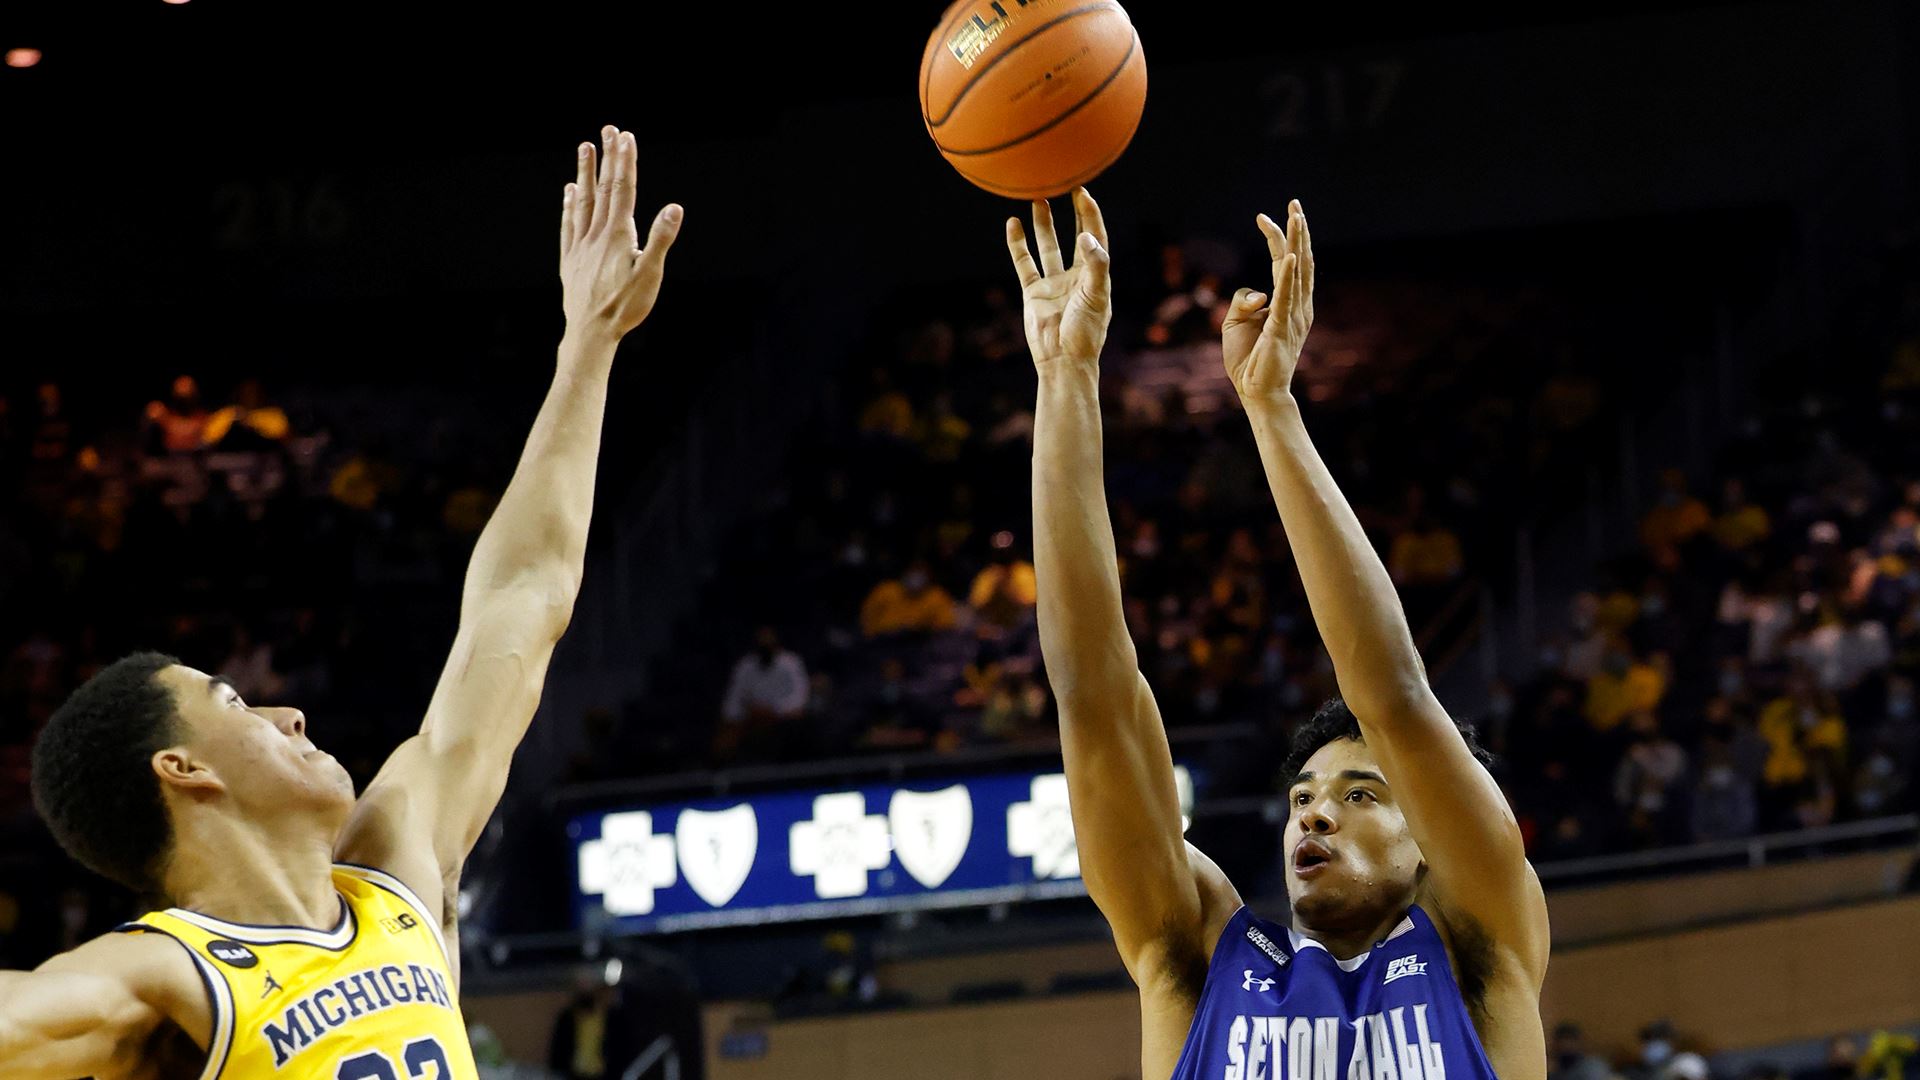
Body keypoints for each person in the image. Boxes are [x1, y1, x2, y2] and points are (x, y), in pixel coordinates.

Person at [0, 125, 683, 1079]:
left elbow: (523, 598)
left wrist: (588, 346)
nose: (289, 712)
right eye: (237, 703)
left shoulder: (399, 866)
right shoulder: (160, 980)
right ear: (183, 765)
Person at [1005, 189, 1547, 1080]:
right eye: (1303, 797)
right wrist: (1065, 379)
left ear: (1432, 844)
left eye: (1361, 795)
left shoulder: (1477, 944)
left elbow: (1396, 695)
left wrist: (1272, 410)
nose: (1317, 811)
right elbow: (1095, 700)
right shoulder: (1198, 956)